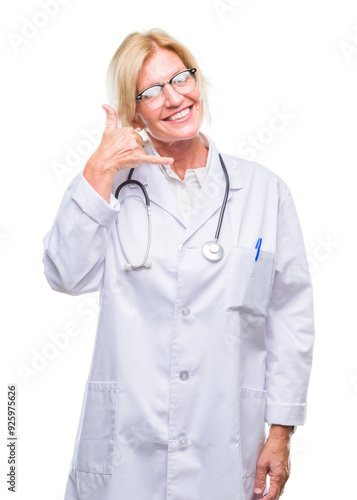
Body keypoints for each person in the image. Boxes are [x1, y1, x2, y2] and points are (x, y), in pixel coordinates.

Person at [42, 28, 315, 500]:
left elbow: (290, 315)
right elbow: (64, 273)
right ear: (134, 112)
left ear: (197, 81)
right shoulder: (111, 185)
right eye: (151, 91)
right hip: (127, 443)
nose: (173, 98)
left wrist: (281, 429)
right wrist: (98, 171)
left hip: (224, 443)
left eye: (181, 79)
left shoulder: (265, 192)